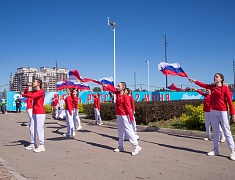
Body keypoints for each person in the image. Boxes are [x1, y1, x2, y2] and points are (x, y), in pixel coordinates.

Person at [189, 73, 235, 160]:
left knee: (226, 130)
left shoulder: (225, 88)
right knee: (216, 131)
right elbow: (203, 84)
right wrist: (194, 81)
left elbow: (229, 101)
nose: (215, 78)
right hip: (213, 111)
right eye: (214, 76)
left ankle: (232, 151)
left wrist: (233, 113)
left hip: (223, 111)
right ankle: (216, 149)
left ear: (221, 79)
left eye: (217, 76)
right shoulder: (212, 87)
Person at [103, 82, 142, 156]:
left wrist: (131, 117)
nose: (117, 87)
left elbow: (128, 107)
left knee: (129, 130)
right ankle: (121, 146)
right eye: (117, 86)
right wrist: (106, 86)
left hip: (125, 116)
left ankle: (136, 146)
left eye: (119, 86)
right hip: (119, 115)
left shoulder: (125, 97)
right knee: (120, 131)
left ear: (123, 87)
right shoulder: (117, 93)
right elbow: (112, 89)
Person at [21, 79, 46, 153]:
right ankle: (32, 143)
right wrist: (27, 88)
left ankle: (41, 145)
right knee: (32, 128)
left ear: (38, 84)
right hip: (34, 112)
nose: (32, 83)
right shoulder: (34, 91)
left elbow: (33, 96)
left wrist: (22, 94)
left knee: (39, 129)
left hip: (40, 112)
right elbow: (27, 94)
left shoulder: (41, 91)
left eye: (34, 82)